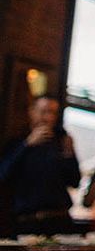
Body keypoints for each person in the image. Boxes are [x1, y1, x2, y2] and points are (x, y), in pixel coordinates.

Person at [0, 95, 80, 236]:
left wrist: (69, 154)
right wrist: (27, 145)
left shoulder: (61, 143)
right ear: (32, 112)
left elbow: (74, 181)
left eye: (53, 113)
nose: (48, 117)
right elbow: (4, 175)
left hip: (60, 221)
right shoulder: (17, 141)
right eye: (44, 111)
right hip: (27, 222)